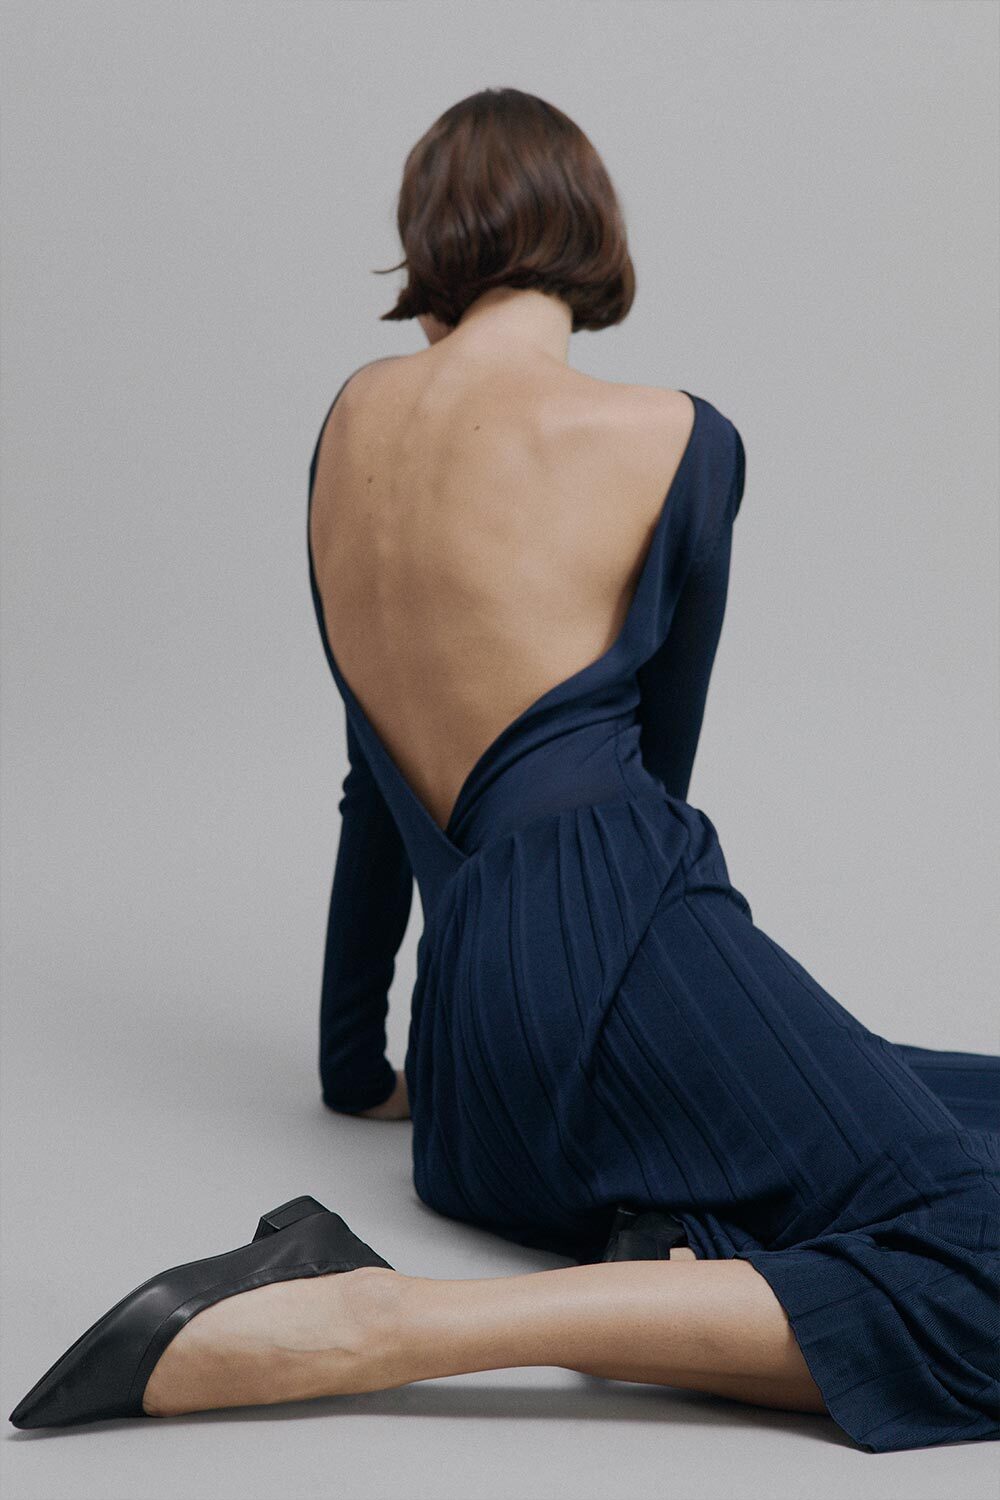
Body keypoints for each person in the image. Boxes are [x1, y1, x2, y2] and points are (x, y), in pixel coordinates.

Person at [10, 87, 999, 1455]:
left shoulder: (349, 427)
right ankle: (392, 1320)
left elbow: (372, 793)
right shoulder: (678, 436)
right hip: (623, 961)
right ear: (591, 225)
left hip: (476, 1101)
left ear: (434, 243)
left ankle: (681, 1244)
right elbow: (657, 784)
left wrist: (357, 1069)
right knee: (979, 1270)